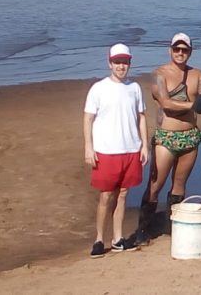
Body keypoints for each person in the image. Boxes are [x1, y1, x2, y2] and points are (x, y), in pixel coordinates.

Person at [135, 33, 201, 245]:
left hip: (190, 136)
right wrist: (194, 105)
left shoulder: (198, 75)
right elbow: (166, 103)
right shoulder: (159, 74)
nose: (180, 53)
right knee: (155, 185)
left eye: (184, 49)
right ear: (170, 50)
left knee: (179, 185)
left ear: (190, 52)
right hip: (166, 137)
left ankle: (171, 225)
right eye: (176, 49)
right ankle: (143, 229)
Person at [83, 44, 148, 257]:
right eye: (117, 62)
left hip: (131, 149)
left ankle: (118, 238)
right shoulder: (98, 88)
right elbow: (88, 118)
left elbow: (141, 117)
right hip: (106, 151)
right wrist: (88, 147)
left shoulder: (135, 88)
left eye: (125, 62)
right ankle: (99, 239)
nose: (121, 66)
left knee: (123, 194)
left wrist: (144, 145)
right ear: (110, 63)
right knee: (106, 196)